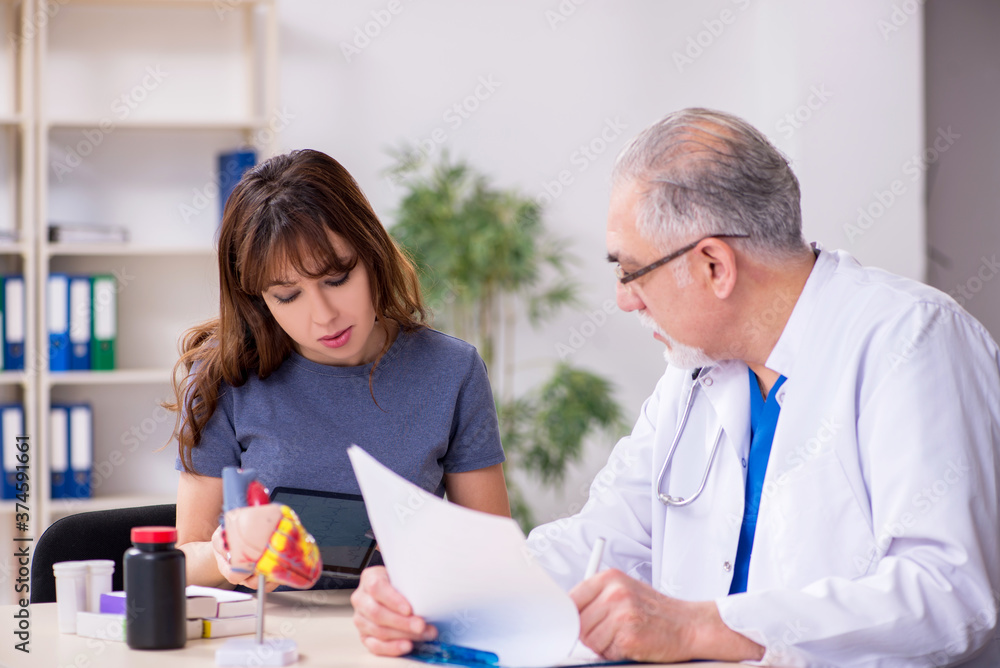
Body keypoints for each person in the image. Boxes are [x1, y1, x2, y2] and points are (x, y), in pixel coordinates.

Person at [350, 109, 1000, 665]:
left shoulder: (912, 342)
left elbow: (951, 594)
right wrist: (442, 593)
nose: (624, 299)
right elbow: (607, 538)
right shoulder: (698, 370)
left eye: (631, 270)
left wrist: (701, 628)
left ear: (714, 265)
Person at [168, 149, 510, 591]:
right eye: (287, 296)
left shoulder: (452, 370)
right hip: (272, 630)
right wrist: (226, 556)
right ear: (258, 300)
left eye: (337, 279)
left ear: (372, 254)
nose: (324, 315)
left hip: (400, 626)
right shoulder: (224, 377)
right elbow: (182, 559)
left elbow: (494, 558)